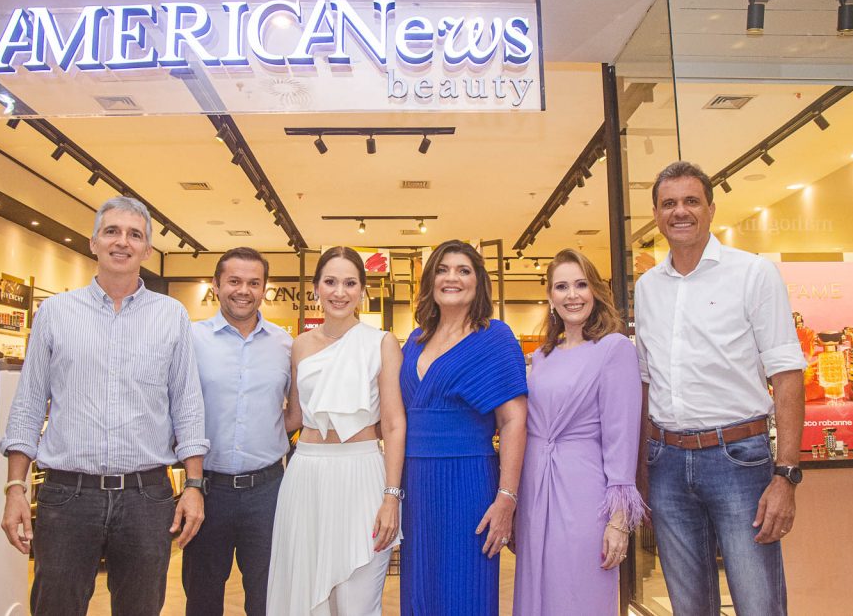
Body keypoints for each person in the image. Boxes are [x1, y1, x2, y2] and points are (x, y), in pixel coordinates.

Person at [0, 196, 209, 616]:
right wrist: (15, 488)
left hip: (146, 497)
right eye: (112, 231)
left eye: (135, 235)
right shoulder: (56, 313)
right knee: (54, 607)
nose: (122, 242)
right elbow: (28, 404)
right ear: (93, 242)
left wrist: (194, 486)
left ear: (147, 251)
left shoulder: (171, 316)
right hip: (67, 496)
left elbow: (187, 404)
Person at [635, 161, 806, 616]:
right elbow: (646, 383)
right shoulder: (647, 287)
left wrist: (786, 475)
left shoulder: (753, 273)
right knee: (688, 605)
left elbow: (787, 374)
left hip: (739, 459)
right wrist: (642, 470)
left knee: (758, 602)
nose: (680, 211)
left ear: (711, 208)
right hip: (666, 462)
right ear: (656, 214)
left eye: (691, 201)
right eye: (669, 203)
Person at [266, 246, 405, 616]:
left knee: (358, 602)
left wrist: (391, 497)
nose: (339, 292)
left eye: (349, 283)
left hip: (363, 476)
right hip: (307, 475)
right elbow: (294, 416)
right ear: (315, 288)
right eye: (330, 282)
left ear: (362, 290)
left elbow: (393, 424)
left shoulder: (382, 343)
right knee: (307, 597)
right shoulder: (298, 346)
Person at [399, 240, 528, 616]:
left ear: (478, 282)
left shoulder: (495, 337)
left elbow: (514, 420)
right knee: (419, 588)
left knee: (463, 590)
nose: (451, 277)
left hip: (468, 480)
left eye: (463, 270)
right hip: (417, 482)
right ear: (430, 281)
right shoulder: (414, 340)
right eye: (442, 269)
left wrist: (507, 497)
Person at [513, 248, 644, 615]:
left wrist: (618, 521)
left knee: (580, 594)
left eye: (581, 284)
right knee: (537, 591)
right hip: (536, 489)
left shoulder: (614, 349)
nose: (572, 295)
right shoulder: (542, 356)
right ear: (550, 297)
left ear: (595, 291)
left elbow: (622, 436)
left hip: (585, 494)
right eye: (562, 286)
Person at [184, 248, 293, 616]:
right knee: (201, 598)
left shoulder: (285, 345)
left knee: (267, 598)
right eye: (234, 281)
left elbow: (298, 411)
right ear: (216, 285)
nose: (243, 290)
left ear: (265, 289)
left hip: (268, 492)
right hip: (206, 490)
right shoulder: (191, 339)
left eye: (253, 282)